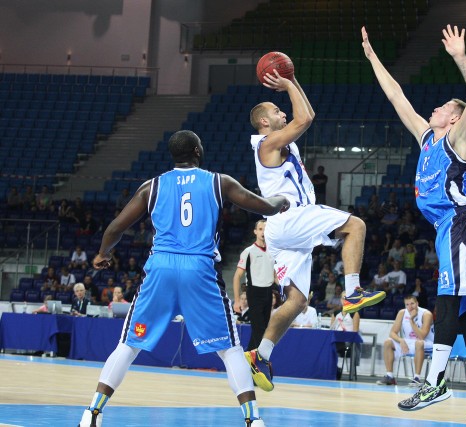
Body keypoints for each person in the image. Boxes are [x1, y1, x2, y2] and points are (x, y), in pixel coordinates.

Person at [77, 130, 289, 427]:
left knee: (129, 344)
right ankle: (253, 420)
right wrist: (282, 200)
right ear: (198, 152)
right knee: (230, 350)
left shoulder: (151, 187)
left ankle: (92, 413)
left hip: (161, 268)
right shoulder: (218, 181)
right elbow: (264, 206)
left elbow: (115, 228)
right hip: (199, 270)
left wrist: (103, 254)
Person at [363, 25, 466, 424]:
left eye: (442, 107)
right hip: (447, 229)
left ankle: (436, 381)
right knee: (465, 315)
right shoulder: (427, 138)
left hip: (461, 223)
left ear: (454, 118)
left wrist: (460, 57)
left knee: (446, 302)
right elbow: (397, 97)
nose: (434, 109)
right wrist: (373, 58)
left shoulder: (458, 139)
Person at [245, 63, 385, 393]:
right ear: (265, 121)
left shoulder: (280, 142)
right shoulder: (266, 143)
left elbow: (308, 113)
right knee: (356, 226)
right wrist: (287, 82)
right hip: (292, 217)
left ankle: (259, 355)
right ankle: (352, 292)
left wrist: (292, 79)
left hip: (286, 229)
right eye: (276, 110)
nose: (282, 112)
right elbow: (304, 119)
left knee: (296, 303)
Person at [233, 219, 276, 349]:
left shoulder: (273, 251)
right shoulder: (248, 252)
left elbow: (274, 275)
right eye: (261, 229)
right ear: (255, 231)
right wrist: (236, 301)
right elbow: (237, 277)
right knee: (260, 330)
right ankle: (259, 361)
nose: (263, 232)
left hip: (268, 292)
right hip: (254, 292)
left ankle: (249, 358)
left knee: (261, 330)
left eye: (266, 229)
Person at [377, 295, 434, 387]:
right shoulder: (402, 313)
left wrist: (411, 320)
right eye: (407, 304)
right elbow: (392, 333)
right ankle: (390, 376)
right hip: (409, 342)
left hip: (427, 343)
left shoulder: (426, 314)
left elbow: (421, 336)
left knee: (419, 343)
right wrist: (401, 340)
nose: (410, 307)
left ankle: (417, 378)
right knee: (388, 342)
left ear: (417, 303)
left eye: (412, 304)